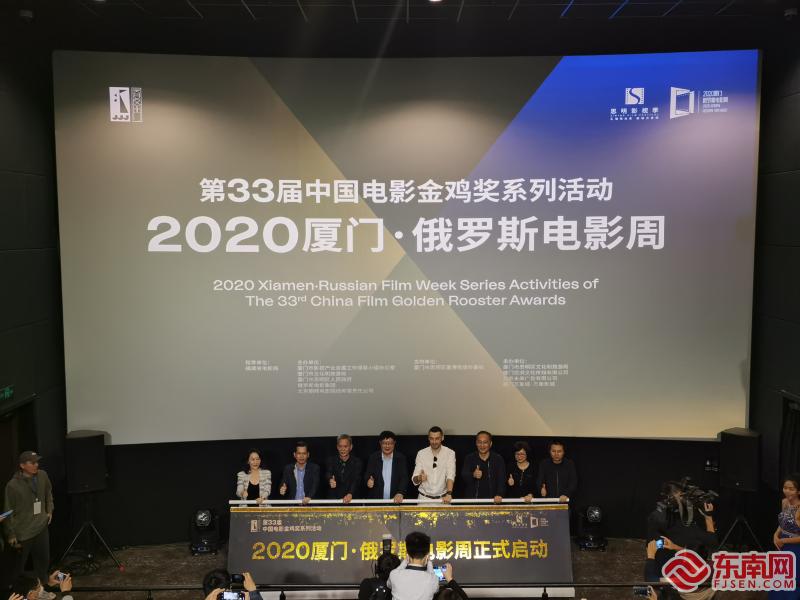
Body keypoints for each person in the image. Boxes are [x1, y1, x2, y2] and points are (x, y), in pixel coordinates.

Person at [3, 451, 54, 584]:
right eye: (32, 462)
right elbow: (8, 510)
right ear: (22, 465)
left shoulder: (42, 475)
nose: (36, 465)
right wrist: (11, 534)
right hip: (23, 531)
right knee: (18, 568)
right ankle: (17, 591)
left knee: (43, 563)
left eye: (37, 462)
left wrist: (49, 510)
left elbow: (48, 492)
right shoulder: (12, 485)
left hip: (41, 527)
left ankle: (42, 588)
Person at [388, 531, 450, 600]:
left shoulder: (394, 574)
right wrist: (429, 562)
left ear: (407, 554)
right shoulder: (433, 580)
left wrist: (405, 561)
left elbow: (389, 585)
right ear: (427, 556)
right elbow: (435, 588)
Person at [769, 473, 800, 598]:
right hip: (781, 545)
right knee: (778, 579)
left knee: (791, 581)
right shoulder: (784, 502)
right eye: (785, 488)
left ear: (798, 491)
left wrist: (784, 541)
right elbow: (783, 523)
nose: (787, 491)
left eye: (791, 489)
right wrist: (775, 535)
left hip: (795, 548)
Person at [412, 427, 456, 503]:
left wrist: (449, 493)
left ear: (442, 438)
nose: (434, 442)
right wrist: (419, 478)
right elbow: (414, 479)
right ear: (428, 438)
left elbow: (450, 475)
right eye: (431, 438)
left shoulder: (450, 453)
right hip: (424, 499)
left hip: (443, 499)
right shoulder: (421, 453)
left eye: (437, 438)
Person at [460, 431, 505, 503]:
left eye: (485, 442)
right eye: (479, 442)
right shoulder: (469, 458)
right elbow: (464, 475)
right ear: (476, 443)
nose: (482, 445)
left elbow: (501, 480)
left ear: (490, 444)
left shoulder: (498, 459)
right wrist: (473, 474)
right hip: (473, 502)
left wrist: (499, 494)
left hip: (493, 501)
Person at [364, 431, 409, 503]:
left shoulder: (401, 458)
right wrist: (368, 481)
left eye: (390, 443)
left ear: (394, 443)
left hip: (395, 500)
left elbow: (404, 478)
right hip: (376, 501)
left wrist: (400, 492)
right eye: (384, 443)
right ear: (380, 443)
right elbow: (367, 475)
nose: (387, 446)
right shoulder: (373, 458)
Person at [325, 435, 363, 504]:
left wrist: (350, 493)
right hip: (334, 502)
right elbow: (328, 473)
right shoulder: (331, 460)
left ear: (351, 447)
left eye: (345, 446)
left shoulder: (357, 462)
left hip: (352, 501)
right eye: (340, 446)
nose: (342, 449)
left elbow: (356, 479)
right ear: (337, 447)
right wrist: (330, 480)